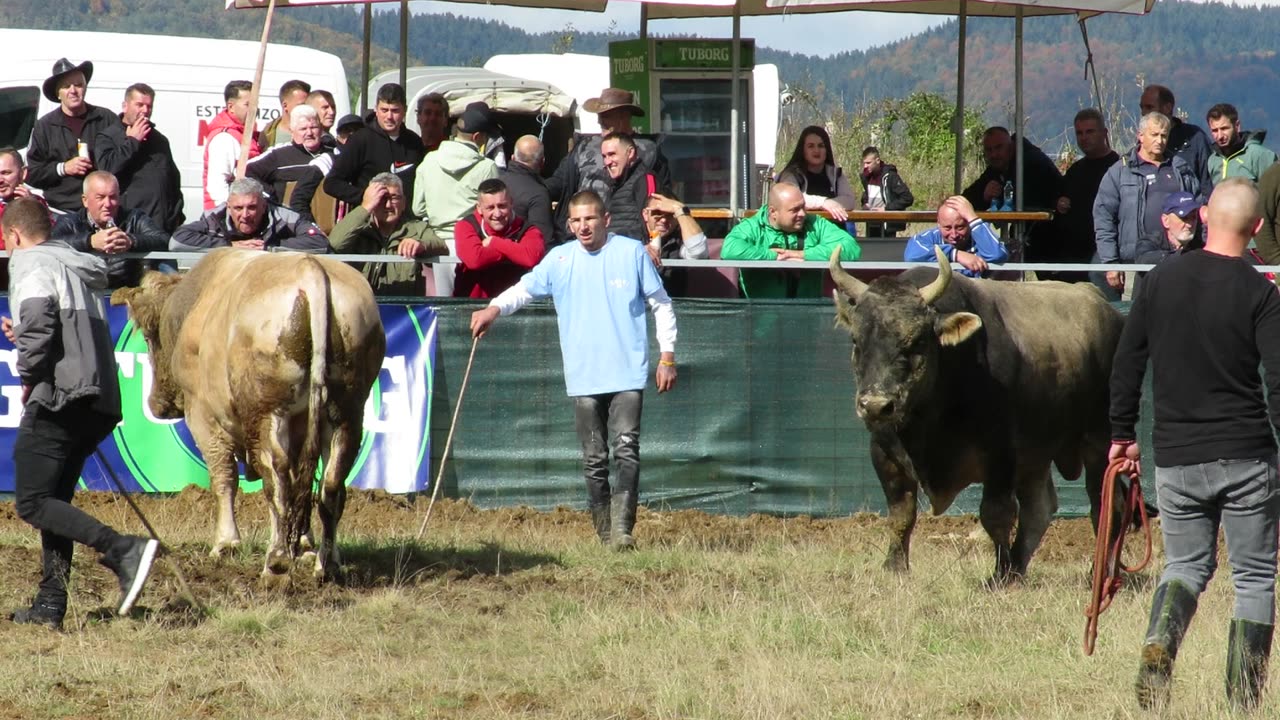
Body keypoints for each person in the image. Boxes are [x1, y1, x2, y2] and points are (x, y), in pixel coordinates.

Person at [1110, 178, 1280, 712]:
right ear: (1256, 229)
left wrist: (1121, 435)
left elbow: (1127, 362)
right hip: (1248, 454)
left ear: (1204, 216)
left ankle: (1160, 641)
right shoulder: (1262, 293)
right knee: (1253, 576)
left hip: (1178, 458)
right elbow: (1279, 382)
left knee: (1184, 567)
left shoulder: (1158, 281)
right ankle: (1242, 702)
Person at [469, 190, 677, 550]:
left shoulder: (630, 253)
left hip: (626, 371)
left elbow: (661, 304)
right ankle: (605, 534)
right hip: (583, 376)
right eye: (576, 221)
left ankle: (623, 530)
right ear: (568, 225)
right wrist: (492, 310)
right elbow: (523, 289)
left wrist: (667, 356)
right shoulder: (559, 259)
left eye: (590, 219)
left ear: (606, 220)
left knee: (627, 449)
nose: (583, 226)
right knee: (594, 458)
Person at [3, 197, 159, 630]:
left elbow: (38, 323)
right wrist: (28, 337)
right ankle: (51, 605)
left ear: (12, 236)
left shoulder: (30, 262)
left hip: (62, 395)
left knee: (33, 502)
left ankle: (123, 548)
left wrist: (29, 373)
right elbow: (57, 328)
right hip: (99, 397)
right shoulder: (74, 264)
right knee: (55, 500)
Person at [1093, 112, 1200, 298]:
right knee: (1134, 318)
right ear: (1140, 135)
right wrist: (1110, 263)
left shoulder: (1181, 168)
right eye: (1154, 134)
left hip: (1178, 260)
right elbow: (1104, 218)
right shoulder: (1120, 172)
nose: (1160, 140)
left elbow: (1199, 208)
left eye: (1164, 135)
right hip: (1134, 263)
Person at [545, 87, 670, 246]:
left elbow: (662, 199)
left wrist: (655, 243)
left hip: (628, 238)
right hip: (581, 236)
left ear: (624, 116)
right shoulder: (584, 147)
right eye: (599, 116)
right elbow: (558, 183)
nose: (600, 121)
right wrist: (530, 189)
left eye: (606, 115)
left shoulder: (650, 151)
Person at [412, 102, 500, 296]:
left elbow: (418, 209)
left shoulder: (429, 160)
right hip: (473, 244)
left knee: (443, 307)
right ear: (477, 137)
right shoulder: (487, 167)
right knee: (470, 305)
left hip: (437, 244)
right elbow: (494, 211)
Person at [720, 183, 861, 298]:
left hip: (807, 317)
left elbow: (851, 248)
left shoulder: (815, 223)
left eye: (803, 207)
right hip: (761, 319)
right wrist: (773, 257)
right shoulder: (753, 226)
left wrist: (804, 255)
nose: (802, 214)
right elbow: (729, 249)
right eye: (795, 210)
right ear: (773, 212)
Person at [327, 173, 446, 296]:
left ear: (404, 202)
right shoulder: (357, 228)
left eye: (394, 198)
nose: (388, 205)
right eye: (382, 198)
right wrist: (365, 207)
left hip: (404, 311)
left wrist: (421, 245)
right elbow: (335, 243)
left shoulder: (416, 228)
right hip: (365, 308)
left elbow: (442, 246)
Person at [26, 58, 118, 214]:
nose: (73, 90)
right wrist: (63, 168)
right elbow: (32, 174)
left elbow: (122, 160)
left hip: (102, 213)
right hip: (60, 212)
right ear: (58, 94)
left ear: (85, 88)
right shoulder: (45, 126)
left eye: (78, 85)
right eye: (66, 86)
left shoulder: (106, 119)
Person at [92, 83, 183, 237]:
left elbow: (173, 181)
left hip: (160, 229)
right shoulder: (108, 137)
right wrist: (132, 141)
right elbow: (107, 171)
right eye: (139, 105)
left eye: (149, 106)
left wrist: (174, 217)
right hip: (128, 229)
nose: (145, 111)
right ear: (125, 106)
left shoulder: (159, 140)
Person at [51, 171, 168, 289]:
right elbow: (50, 245)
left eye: (113, 197)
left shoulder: (134, 218)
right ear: (85, 200)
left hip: (126, 292)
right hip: (85, 295)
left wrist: (130, 241)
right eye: (100, 197)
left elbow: (164, 240)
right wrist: (89, 241)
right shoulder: (70, 222)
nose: (107, 204)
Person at [325, 83, 423, 207]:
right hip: (371, 219)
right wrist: (364, 197)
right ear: (376, 109)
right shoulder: (360, 140)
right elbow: (332, 183)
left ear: (405, 110)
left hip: (406, 219)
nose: (389, 116)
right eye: (384, 110)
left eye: (395, 111)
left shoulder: (414, 142)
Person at [172, 177, 328, 253]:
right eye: (238, 208)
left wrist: (269, 247)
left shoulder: (285, 217)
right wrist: (230, 246)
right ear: (228, 207)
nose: (245, 215)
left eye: (252, 207)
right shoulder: (213, 218)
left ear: (264, 205)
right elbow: (177, 241)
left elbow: (320, 242)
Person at [1054, 108, 1120, 283]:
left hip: (1103, 256)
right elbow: (1061, 200)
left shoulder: (1118, 168)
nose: (1084, 137)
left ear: (1104, 133)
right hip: (1073, 258)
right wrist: (1060, 203)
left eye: (1090, 131)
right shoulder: (1075, 170)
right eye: (1079, 133)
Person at [453, 178, 546, 298]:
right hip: (473, 306)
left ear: (511, 203)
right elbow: (474, 260)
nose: (497, 214)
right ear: (479, 208)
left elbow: (530, 258)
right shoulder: (466, 225)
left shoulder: (527, 229)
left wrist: (495, 242)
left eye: (502, 206)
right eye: (490, 208)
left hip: (513, 305)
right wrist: (514, 250)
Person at [246, 104, 333, 204]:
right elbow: (246, 172)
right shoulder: (278, 155)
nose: (309, 133)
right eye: (303, 129)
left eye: (313, 127)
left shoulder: (333, 152)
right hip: (289, 216)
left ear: (321, 129)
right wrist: (271, 196)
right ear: (292, 131)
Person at [903, 195, 1008, 278]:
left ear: (969, 223)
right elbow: (911, 255)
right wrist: (955, 255)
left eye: (960, 227)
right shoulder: (930, 238)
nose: (954, 235)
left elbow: (998, 254)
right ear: (938, 223)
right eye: (947, 228)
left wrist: (972, 217)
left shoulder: (979, 236)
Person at [776, 125, 857, 225]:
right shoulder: (791, 175)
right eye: (811, 146)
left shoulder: (836, 174)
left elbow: (849, 200)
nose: (816, 150)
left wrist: (831, 204)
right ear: (803, 150)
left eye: (821, 146)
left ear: (826, 150)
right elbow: (792, 199)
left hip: (835, 232)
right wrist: (823, 203)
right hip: (805, 233)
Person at [1140, 84, 1213, 191]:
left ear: (1168, 108)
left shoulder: (1195, 138)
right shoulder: (1143, 141)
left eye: (1149, 107)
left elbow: (1207, 181)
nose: (1143, 113)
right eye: (1142, 107)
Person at [202, 80, 261, 210]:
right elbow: (217, 186)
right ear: (231, 107)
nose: (254, 110)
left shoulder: (247, 135)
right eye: (248, 104)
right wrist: (228, 215)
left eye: (256, 104)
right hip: (229, 217)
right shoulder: (224, 138)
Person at [641, 192, 709, 297]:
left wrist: (679, 209)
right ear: (645, 215)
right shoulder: (628, 237)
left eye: (670, 214)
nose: (663, 220)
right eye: (657, 212)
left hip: (673, 306)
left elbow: (698, 253)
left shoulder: (680, 241)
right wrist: (636, 252)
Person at [600, 133, 663, 243]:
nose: (607, 162)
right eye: (604, 156)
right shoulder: (616, 183)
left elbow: (651, 223)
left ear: (630, 153)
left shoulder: (645, 179)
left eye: (612, 154)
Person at [1205, 103, 1277, 185]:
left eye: (1224, 128)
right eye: (1215, 130)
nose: (1220, 136)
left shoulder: (1259, 155)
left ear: (1237, 126)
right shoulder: (1213, 160)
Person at [501, 135, 553, 243]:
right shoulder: (538, 194)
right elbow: (542, 239)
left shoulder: (497, 183)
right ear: (542, 162)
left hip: (493, 251)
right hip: (522, 255)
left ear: (512, 158)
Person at [859, 146, 914, 239]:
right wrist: (865, 203)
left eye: (868, 163)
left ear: (877, 160)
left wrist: (886, 209)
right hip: (871, 222)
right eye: (864, 163)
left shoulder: (890, 176)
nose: (865, 166)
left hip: (887, 224)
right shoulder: (865, 176)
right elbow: (866, 193)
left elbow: (907, 198)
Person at [1134, 191, 1203, 264]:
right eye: (1184, 218)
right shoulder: (1151, 242)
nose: (1190, 225)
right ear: (1166, 221)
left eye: (1193, 217)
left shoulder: (1201, 243)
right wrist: (1179, 257)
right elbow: (1143, 258)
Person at [0, 149, 48, 253]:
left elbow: (47, 238)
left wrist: (30, 208)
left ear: (22, 174)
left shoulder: (37, 202)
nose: (0, 180)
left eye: (6, 173)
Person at [261, 79, 312, 148]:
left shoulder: (314, 133)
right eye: (301, 105)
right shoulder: (267, 134)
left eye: (308, 105)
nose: (306, 109)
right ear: (285, 106)